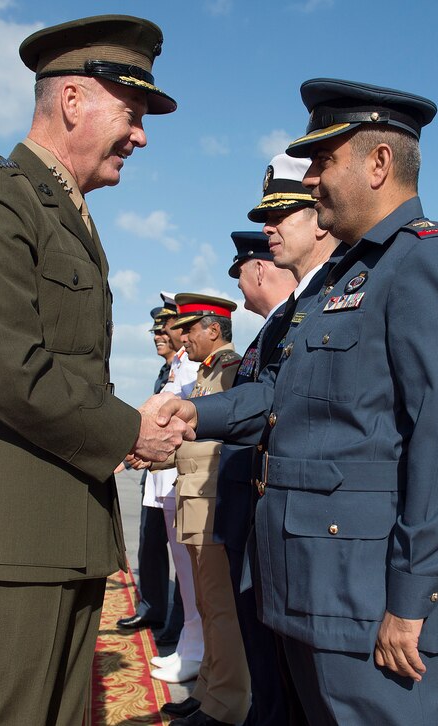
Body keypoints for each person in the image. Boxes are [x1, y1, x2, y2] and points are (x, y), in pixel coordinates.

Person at [157, 78, 438, 724]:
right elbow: (278, 398)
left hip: (372, 608)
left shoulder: (430, 267)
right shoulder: (339, 283)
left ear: (379, 164)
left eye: (324, 161)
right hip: (307, 595)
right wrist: (194, 413)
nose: (311, 179)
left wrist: (411, 603)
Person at [0, 16, 192, 725]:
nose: (141, 136)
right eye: (131, 115)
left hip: (64, 522)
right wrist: (129, 428)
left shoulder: (62, 210)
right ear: (73, 100)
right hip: (14, 527)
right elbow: (6, 368)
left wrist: (125, 425)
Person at [156, 293, 249, 726]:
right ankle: (208, 691)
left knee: (219, 605)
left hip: (212, 503)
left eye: (190, 328)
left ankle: (225, 705)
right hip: (196, 502)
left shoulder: (230, 371)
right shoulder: (208, 372)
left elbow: (226, 434)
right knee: (208, 605)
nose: (183, 337)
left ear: (214, 329)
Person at [221, 230, 300, 726]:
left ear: (258, 269)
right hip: (245, 506)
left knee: (274, 655)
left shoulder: (291, 323)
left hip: (264, 506)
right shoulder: (269, 330)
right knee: (256, 644)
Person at [117, 304, 185, 646]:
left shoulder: (186, 368)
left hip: (174, 473)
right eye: (155, 333)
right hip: (154, 476)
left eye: (164, 330)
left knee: (182, 559)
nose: (158, 337)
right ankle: (153, 607)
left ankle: (176, 621)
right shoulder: (167, 370)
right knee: (151, 544)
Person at [150, 293, 205, 682]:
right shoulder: (180, 366)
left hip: (180, 476)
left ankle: (195, 647)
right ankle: (189, 642)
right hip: (168, 480)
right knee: (185, 577)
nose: (179, 336)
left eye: (185, 328)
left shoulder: (191, 367)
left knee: (194, 576)